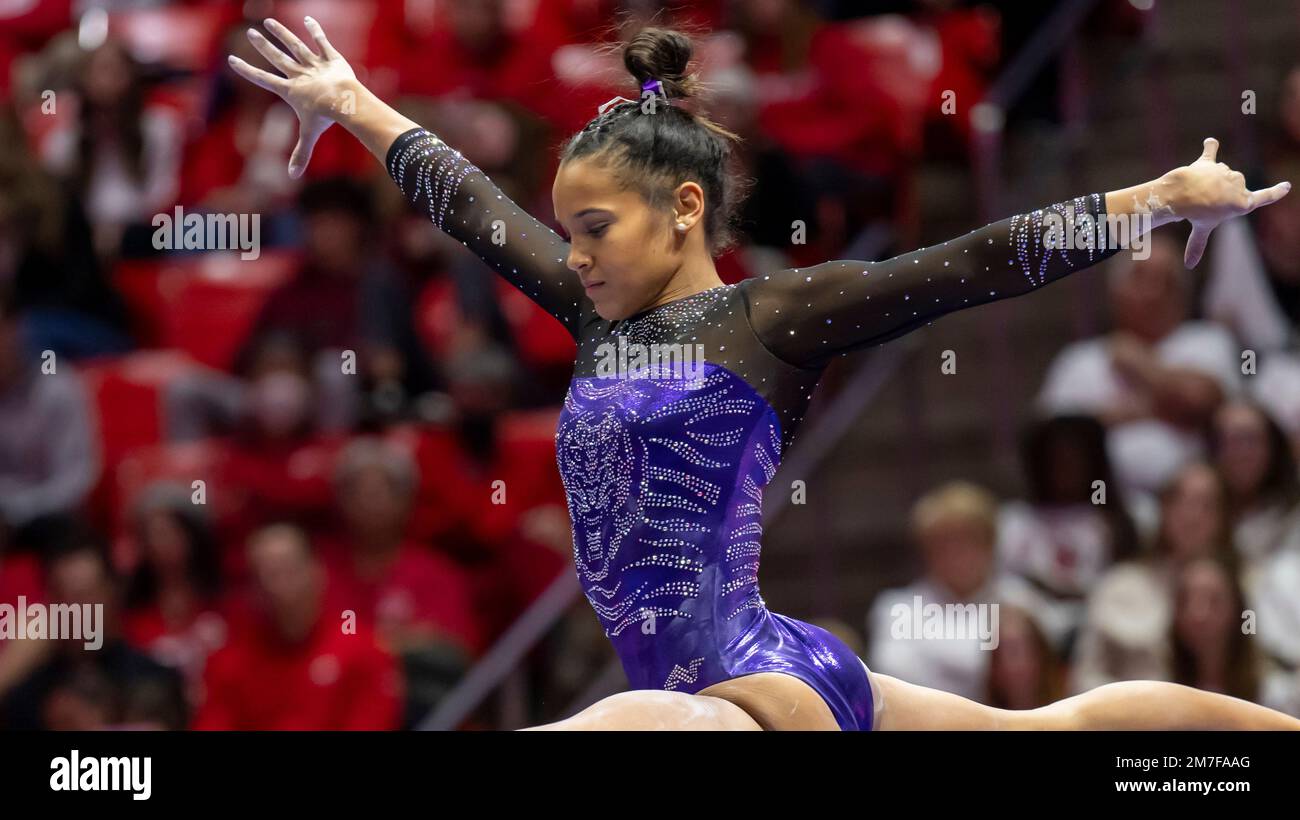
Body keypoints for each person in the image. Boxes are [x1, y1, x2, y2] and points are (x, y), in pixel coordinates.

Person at [228, 18, 1299, 730]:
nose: (577, 254)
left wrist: (1155, 196)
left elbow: (969, 262)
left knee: (624, 721)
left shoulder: (769, 318)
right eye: (569, 233)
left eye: (595, 228)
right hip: (718, 692)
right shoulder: (591, 314)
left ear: (683, 210)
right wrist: (354, 100)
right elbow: (468, 204)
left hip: (750, 688)